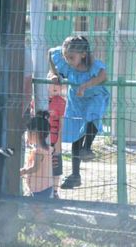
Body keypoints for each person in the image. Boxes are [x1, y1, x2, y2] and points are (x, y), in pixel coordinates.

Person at [48, 35, 109, 189]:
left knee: (92, 117)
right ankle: (75, 175)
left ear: (83, 54)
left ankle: (87, 148)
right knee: (76, 133)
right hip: (76, 99)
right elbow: (51, 53)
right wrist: (54, 73)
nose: (68, 60)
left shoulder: (93, 65)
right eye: (66, 57)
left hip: (94, 95)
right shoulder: (68, 64)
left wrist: (85, 86)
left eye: (71, 57)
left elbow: (103, 75)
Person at [20, 115, 54, 199]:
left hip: (40, 188)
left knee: (37, 210)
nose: (26, 135)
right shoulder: (48, 149)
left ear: (35, 133)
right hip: (45, 186)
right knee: (37, 210)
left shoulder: (38, 151)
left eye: (28, 132)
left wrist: (22, 171)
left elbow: (35, 168)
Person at [48, 81, 66, 198]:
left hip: (54, 140)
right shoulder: (39, 99)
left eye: (59, 84)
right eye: (53, 83)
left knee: (56, 165)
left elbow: (61, 125)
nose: (56, 87)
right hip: (42, 140)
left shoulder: (61, 102)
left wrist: (58, 144)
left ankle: (55, 191)